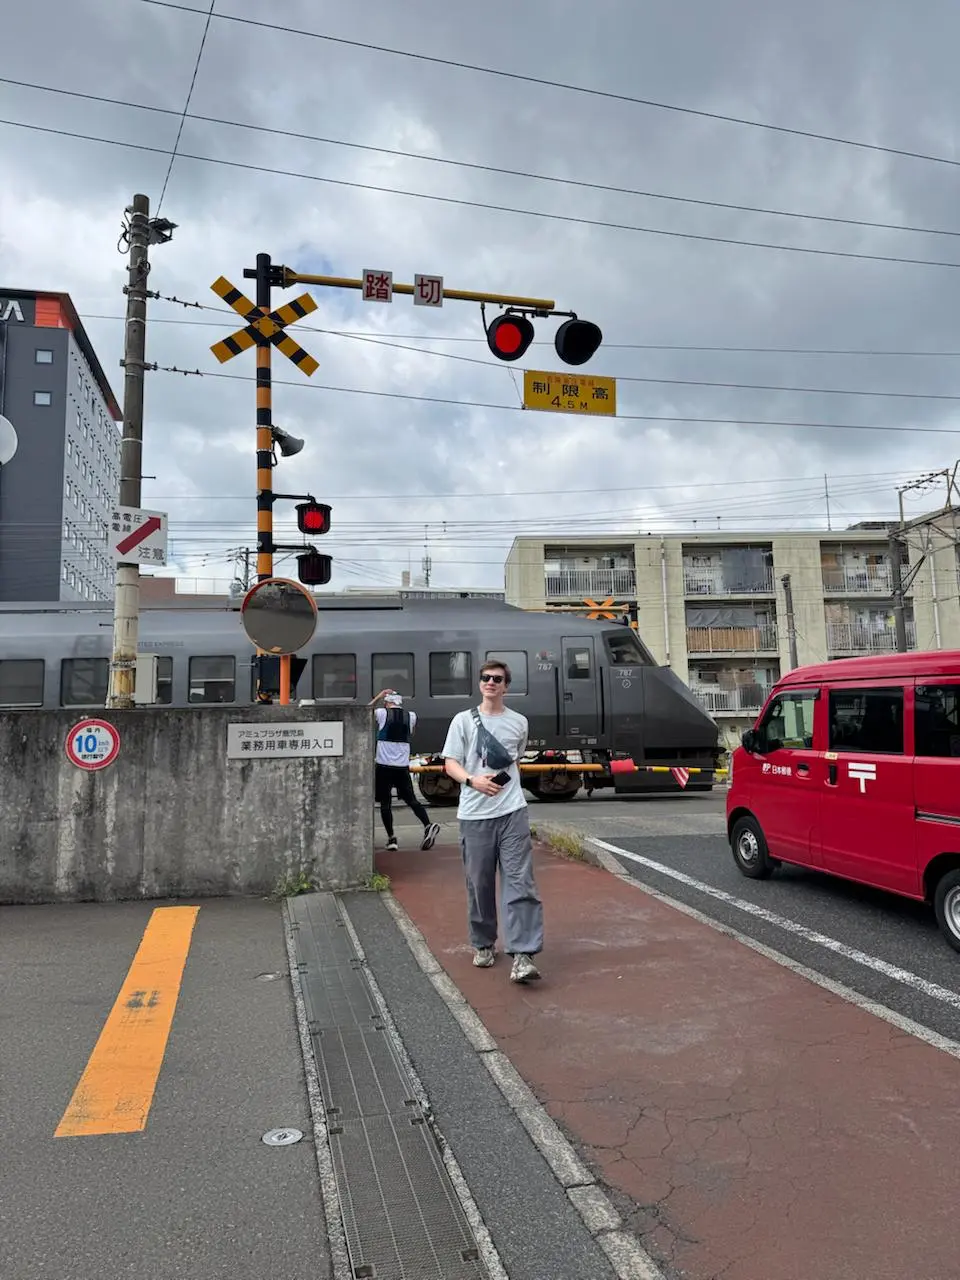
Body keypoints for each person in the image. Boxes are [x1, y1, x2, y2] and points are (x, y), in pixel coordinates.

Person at [441, 659, 543, 984]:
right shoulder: (462, 721)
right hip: (474, 814)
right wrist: (472, 781)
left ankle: (523, 954)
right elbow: (450, 763)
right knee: (480, 883)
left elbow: (516, 759)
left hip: (512, 811)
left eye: (497, 679)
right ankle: (484, 943)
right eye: (486, 678)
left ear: (506, 685)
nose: (490, 683)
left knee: (519, 881)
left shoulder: (519, 722)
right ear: (480, 683)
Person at [369, 689, 440, 852]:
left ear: (387, 702)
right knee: (412, 800)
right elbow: (411, 733)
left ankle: (391, 839)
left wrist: (378, 697)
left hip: (384, 765)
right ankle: (427, 825)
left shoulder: (381, 713)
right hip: (402, 767)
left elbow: (365, 711)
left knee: (386, 803)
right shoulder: (411, 716)